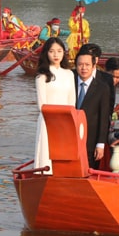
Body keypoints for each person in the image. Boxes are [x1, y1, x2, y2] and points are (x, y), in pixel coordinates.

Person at [33, 37, 76, 174]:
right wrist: (54, 117)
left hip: (65, 120)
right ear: (46, 53)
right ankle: (44, 174)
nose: (56, 55)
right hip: (48, 120)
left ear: (64, 52)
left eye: (59, 51)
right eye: (52, 51)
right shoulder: (42, 76)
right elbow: (42, 104)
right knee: (46, 153)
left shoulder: (69, 74)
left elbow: (72, 101)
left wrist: (69, 119)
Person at [74, 47, 112, 169]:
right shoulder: (69, 82)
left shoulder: (102, 88)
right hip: (71, 138)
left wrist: (100, 144)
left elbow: (104, 117)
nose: (83, 68)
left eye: (87, 65)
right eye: (80, 65)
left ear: (94, 66)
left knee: (89, 171)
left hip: (91, 140)